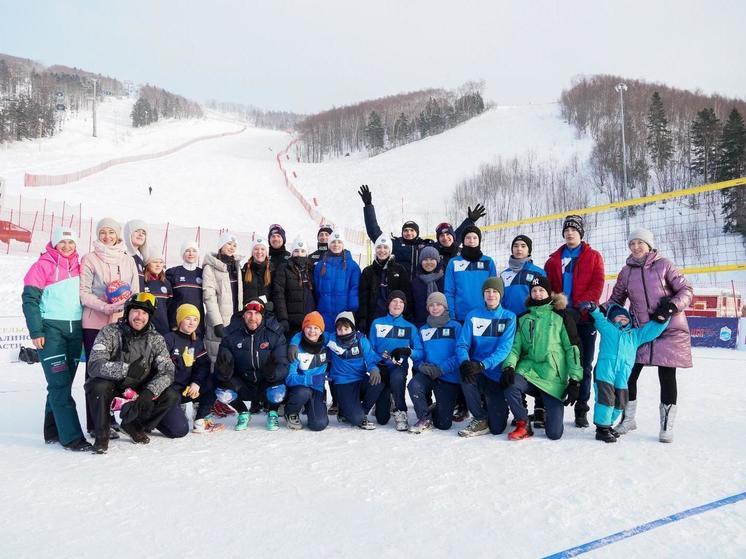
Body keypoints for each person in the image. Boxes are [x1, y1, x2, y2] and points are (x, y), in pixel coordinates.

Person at [606, 228, 693, 443]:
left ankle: (666, 426)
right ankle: (628, 419)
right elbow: (616, 299)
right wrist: (599, 310)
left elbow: (686, 290)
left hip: (668, 329)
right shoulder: (626, 272)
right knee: (628, 375)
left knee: (666, 376)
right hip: (640, 332)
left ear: (649, 245)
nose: (636, 247)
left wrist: (671, 307)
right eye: (632, 243)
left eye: (640, 243)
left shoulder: (664, 265)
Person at [85, 293, 185, 454]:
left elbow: (167, 371)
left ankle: (134, 424)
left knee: (172, 398)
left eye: (145, 313)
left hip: (140, 388)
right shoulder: (110, 331)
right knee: (98, 386)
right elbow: (95, 365)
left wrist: (149, 392)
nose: (140, 317)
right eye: (136, 311)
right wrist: (126, 369)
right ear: (128, 312)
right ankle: (102, 435)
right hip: (114, 385)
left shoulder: (156, 339)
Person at [21, 226, 92, 451]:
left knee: (62, 384)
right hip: (51, 330)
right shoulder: (43, 266)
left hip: (75, 331)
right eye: (63, 242)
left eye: (71, 243)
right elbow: (30, 300)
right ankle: (72, 438)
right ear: (54, 243)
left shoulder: (81, 267)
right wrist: (36, 331)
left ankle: (52, 431)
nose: (67, 246)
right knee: (59, 384)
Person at [502, 276, 582, 441]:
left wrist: (575, 380)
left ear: (549, 293)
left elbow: (572, 349)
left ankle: (547, 409)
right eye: (534, 291)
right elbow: (516, 347)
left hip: (552, 376)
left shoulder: (561, 317)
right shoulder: (523, 318)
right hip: (529, 369)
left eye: (541, 290)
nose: (538, 294)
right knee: (510, 385)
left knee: (554, 434)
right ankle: (523, 422)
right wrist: (509, 366)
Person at [80, 217, 140, 436]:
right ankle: (95, 425)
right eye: (103, 232)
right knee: (96, 373)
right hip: (94, 323)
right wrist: (104, 306)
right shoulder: (89, 259)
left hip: (120, 324)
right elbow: (84, 292)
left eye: (111, 232)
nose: (107, 236)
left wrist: (127, 309)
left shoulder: (128, 260)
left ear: (117, 235)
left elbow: (135, 291)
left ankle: (112, 419)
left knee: (117, 372)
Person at [544, 215, 605, 428]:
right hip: (561, 317)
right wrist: (557, 307)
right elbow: (548, 286)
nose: (570, 233)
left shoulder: (593, 256)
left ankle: (581, 408)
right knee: (558, 362)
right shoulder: (553, 260)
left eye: (574, 230)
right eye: (567, 230)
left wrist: (582, 307)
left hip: (584, 318)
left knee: (585, 364)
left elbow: (597, 284)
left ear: (581, 233)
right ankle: (555, 404)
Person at [582, 302, 669, 443]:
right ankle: (601, 429)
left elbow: (651, 330)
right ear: (611, 319)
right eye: (618, 317)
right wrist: (593, 309)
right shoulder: (607, 328)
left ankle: (607, 424)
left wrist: (665, 318)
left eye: (625, 317)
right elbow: (598, 318)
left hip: (623, 373)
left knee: (621, 401)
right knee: (606, 399)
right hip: (606, 370)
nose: (622, 319)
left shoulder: (635, 335)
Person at [358, 184, 486, 280]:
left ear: (417, 233)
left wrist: (469, 221)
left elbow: (451, 240)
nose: (409, 233)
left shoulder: (426, 246)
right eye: (406, 231)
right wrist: (368, 205)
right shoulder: (395, 245)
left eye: (412, 230)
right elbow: (375, 234)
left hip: (420, 286)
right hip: (399, 287)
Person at [212, 298, 289, 431]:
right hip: (244, 382)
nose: (252, 318)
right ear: (243, 315)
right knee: (221, 391)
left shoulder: (274, 335)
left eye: (257, 313)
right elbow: (222, 362)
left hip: (266, 382)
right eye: (249, 313)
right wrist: (224, 373)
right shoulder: (231, 335)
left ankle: (272, 412)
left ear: (262, 316)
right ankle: (243, 412)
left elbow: (284, 365)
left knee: (279, 391)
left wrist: (273, 373)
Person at [455, 277, 516, 437]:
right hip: (476, 369)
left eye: (495, 291)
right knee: (465, 377)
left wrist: (483, 364)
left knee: (497, 428)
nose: (491, 295)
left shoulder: (509, 317)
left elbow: (505, 349)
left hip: (495, 372)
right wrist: (465, 362)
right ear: (483, 294)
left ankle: (496, 406)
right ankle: (480, 417)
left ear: (501, 294)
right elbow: (462, 344)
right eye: (487, 291)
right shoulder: (473, 315)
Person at [499, 234, 548, 425]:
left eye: (523, 246)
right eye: (516, 246)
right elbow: (500, 300)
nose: (519, 249)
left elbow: (543, 298)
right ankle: (521, 408)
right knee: (516, 364)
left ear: (529, 250)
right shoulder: (504, 274)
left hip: (532, 323)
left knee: (536, 362)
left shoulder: (537, 272)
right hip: (511, 325)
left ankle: (541, 407)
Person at [163, 303, 223, 433]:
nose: (192, 323)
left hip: (189, 388)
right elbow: (162, 368)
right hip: (172, 390)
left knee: (213, 380)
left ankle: (200, 419)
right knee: (179, 428)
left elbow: (204, 366)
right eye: (188, 318)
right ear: (180, 320)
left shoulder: (197, 342)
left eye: (195, 319)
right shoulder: (169, 339)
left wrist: (196, 383)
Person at [368, 290, 423, 431]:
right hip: (381, 367)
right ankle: (384, 400)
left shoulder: (410, 327)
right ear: (388, 304)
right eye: (394, 301)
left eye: (401, 302)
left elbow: (419, 352)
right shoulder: (377, 323)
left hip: (397, 367)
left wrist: (408, 351)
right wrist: (375, 364)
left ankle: (400, 411)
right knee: (382, 419)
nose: (397, 304)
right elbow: (369, 349)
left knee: (397, 378)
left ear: (404, 305)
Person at [407, 292, 462, 433]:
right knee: (414, 385)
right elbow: (419, 353)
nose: (435, 308)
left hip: (447, 375)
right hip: (428, 373)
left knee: (444, 424)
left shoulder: (456, 327)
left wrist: (441, 369)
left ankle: (438, 407)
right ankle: (424, 418)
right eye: (431, 305)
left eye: (438, 304)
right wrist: (420, 365)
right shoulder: (423, 329)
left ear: (445, 306)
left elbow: (460, 354)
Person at [325, 312, 383, 430]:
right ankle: (349, 411)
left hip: (360, 379)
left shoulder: (361, 340)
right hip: (342, 382)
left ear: (352, 328)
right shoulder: (331, 338)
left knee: (378, 383)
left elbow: (371, 359)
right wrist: (294, 344)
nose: (343, 332)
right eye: (339, 329)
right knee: (356, 419)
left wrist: (374, 369)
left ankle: (362, 413)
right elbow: (311, 333)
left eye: (346, 328)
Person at [284, 311, 329, 431]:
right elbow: (289, 378)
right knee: (303, 393)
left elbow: (341, 338)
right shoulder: (296, 349)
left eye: (316, 328)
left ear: (321, 331)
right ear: (303, 329)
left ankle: (309, 407)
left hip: (317, 388)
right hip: (299, 388)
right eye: (308, 327)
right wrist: (309, 379)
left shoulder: (326, 344)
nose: (312, 331)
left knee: (319, 424)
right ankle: (290, 412)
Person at [357, 235, 411, 333]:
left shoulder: (399, 269)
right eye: (379, 247)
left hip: (394, 316)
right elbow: (363, 298)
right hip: (374, 317)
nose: (382, 250)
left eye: (385, 247)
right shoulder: (368, 271)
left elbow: (406, 295)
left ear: (390, 250)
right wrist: (363, 318)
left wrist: (406, 316)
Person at [202, 232, 243, 361]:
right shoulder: (211, 267)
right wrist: (217, 323)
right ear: (221, 246)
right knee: (217, 356)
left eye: (234, 245)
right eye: (229, 244)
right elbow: (209, 297)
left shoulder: (236, 267)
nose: (232, 247)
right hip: (220, 321)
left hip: (236, 320)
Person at [444, 225, 497, 322]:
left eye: (475, 237)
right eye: (468, 237)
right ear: (463, 240)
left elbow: (495, 290)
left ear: (479, 240)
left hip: (485, 314)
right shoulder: (454, 262)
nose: (471, 240)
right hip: (461, 316)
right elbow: (449, 291)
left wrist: (493, 311)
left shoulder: (488, 262)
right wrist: (451, 315)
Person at [314, 229, 361, 333]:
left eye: (339, 242)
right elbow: (317, 289)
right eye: (333, 242)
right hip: (324, 311)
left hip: (343, 312)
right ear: (329, 244)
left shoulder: (352, 266)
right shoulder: (320, 266)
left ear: (343, 245)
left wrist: (351, 310)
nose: (336, 245)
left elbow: (354, 288)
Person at [272, 236, 316, 337]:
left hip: (310, 321)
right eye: (296, 251)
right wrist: (283, 318)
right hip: (291, 323)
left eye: (302, 251)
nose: (299, 254)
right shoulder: (284, 268)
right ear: (291, 253)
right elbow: (279, 295)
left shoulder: (311, 269)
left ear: (307, 253)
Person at [166, 240, 204, 337]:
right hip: (178, 324)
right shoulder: (173, 273)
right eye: (187, 250)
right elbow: (168, 301)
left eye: (194, 251)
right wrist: (174, 322)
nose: (191, 253)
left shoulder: (203, 273)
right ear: (182, 253)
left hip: (196, 325)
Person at [411, 246, 445, 327]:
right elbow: (411, 305)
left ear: (437, 261)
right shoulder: (415, 282)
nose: (428, 262)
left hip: (443, 324)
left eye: (432, 259)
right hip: (421, 325)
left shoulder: (445, 279)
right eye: (425, 259)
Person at [143, 254, 172, 335]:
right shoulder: (141, 281)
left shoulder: (166, 283)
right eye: (155, 262)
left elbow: (169, 306)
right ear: (147, 264)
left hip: (163, 327)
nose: (158, 265)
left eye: (161, 262)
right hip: (145, 327)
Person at [241, 236, 273, 306]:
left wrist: (270, 306)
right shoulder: (245, 269)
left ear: (266, 252)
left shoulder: (272, 270)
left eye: (262, 249)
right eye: (256, 249)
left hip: (267, 312)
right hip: (249, 312)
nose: (259, 252)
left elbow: (277, 294)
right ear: (252, 252)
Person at [124, 219, 151, 291]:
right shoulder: (121, 255)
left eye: (144, 233)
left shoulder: (140, 260)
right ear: (128, 234)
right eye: (137, 231)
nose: (141, 234)